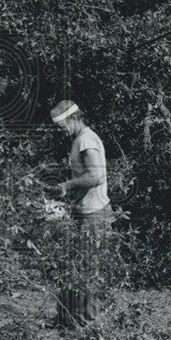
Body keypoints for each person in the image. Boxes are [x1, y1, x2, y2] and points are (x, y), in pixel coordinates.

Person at [50, 100, 114, 328]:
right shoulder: (79, 140)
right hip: (82, 212)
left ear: (74, 119)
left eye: (63, 125)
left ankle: (89, 325)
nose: (61, 130)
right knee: (70, 264)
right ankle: (66, 320)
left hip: (94, 214)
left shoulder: (86, 139)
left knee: (88, 268)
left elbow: (96, 176)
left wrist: (67, 185)